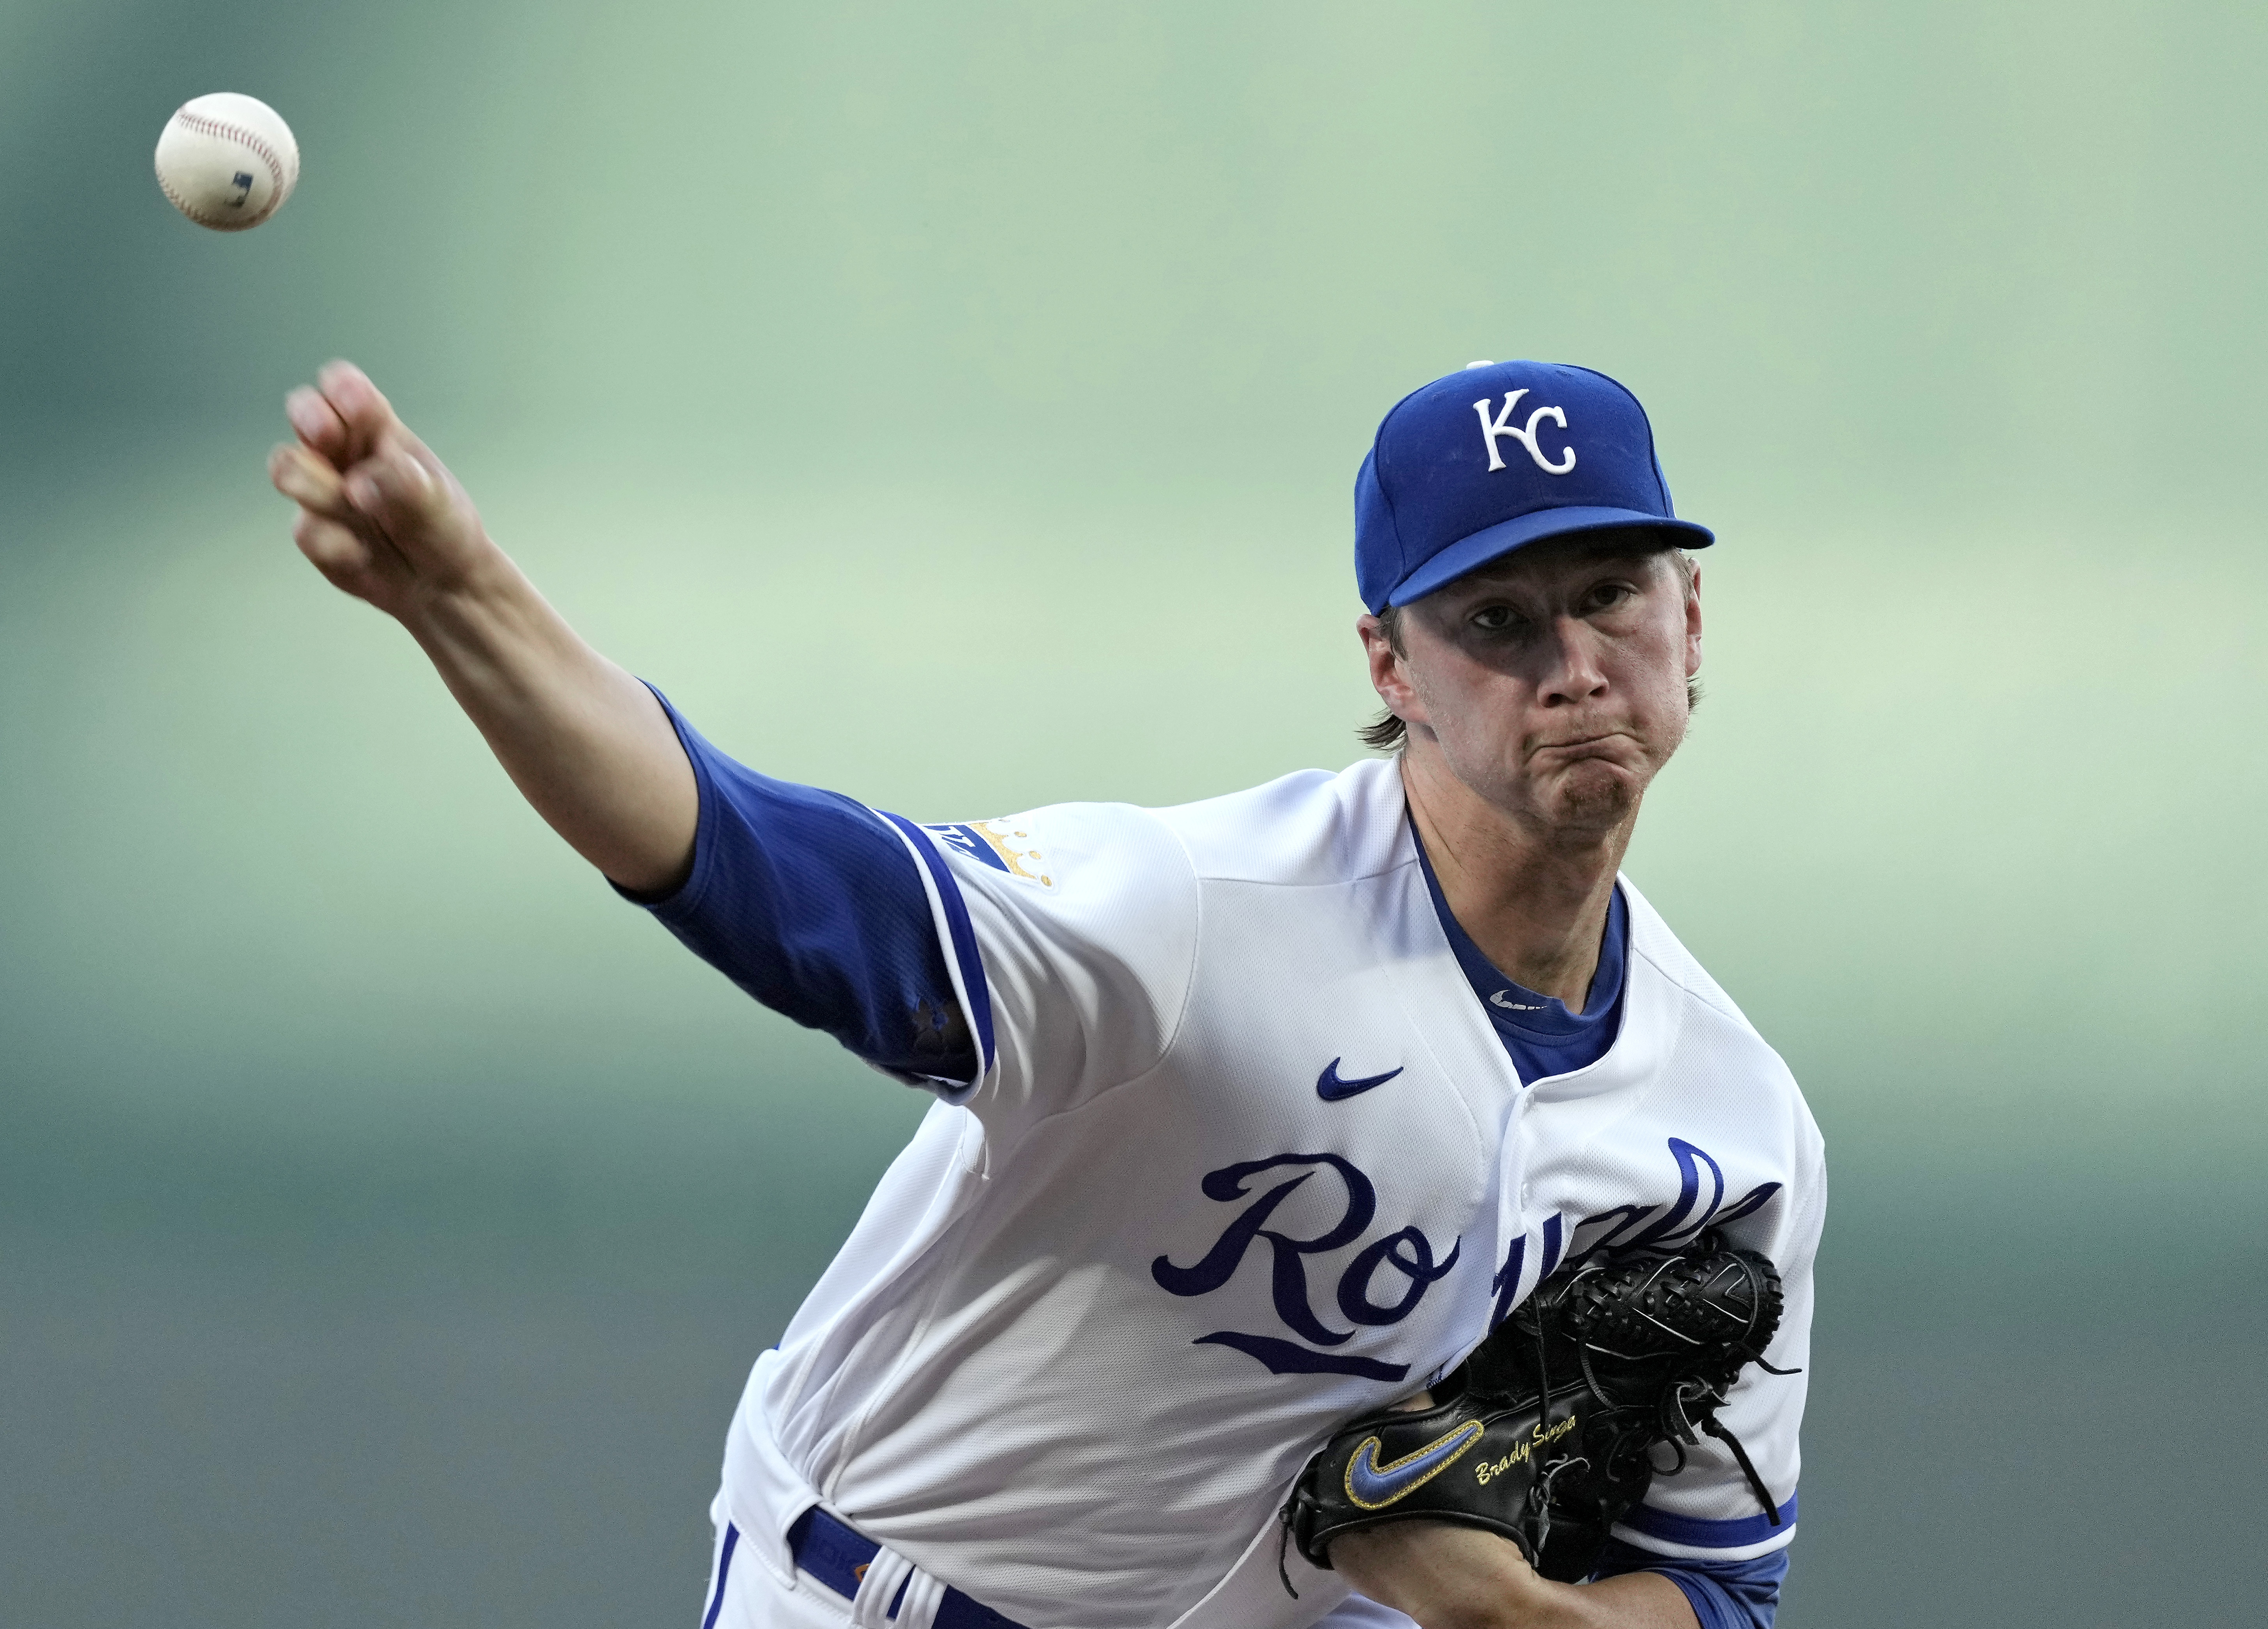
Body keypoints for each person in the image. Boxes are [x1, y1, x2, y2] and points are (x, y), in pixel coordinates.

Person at [268, 357, 1824, 1629]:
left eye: (1613, 591)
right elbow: (798, 889)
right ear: (1390, 669)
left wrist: (1519, 1620)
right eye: (1494, 619)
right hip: (878, 1598)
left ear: (1689, 621)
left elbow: (1715, 1586)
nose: (1572, 662)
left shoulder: (1733, 1127)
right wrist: (464, 600)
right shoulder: (1197, 918)